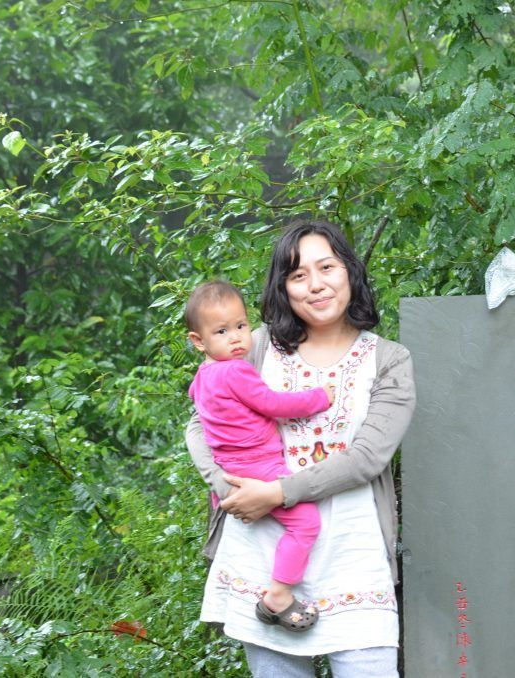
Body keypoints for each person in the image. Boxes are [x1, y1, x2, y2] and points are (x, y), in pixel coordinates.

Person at [185, 220, 415, 677]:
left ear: (349, 271)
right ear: (283, 288)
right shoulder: (255, 346)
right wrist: (229, 488)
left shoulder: (388, 359)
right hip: (262, 557)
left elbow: (367, 459)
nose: (316, 285)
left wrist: (276, 493)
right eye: (297, 275)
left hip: (354, 557)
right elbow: (199, 425)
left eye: (326, 267)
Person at [186, 280, 335, 632]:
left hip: (231, 467)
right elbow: (272, 405)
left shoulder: (202, 377)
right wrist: (320, 397)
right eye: (221, 331)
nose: (237, 338)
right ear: (198, 341)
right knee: (306, 524)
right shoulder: (236, 370)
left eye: (240, 326)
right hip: (259, 465)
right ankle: (278, 596)